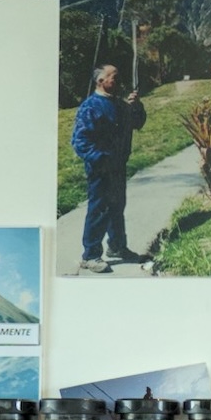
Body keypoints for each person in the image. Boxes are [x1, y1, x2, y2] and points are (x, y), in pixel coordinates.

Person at [69, 64, 147, 273]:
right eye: (114, 76)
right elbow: (79, 141)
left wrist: (137, 106)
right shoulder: (90, 107)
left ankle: (117, 247)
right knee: (99, 210)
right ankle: (91, 255)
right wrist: (101, 160)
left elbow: (137, 123)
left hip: (118, 166)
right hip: (100, 169)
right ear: (100, 81)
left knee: (117, 207)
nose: (118, 80)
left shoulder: (121, 105)